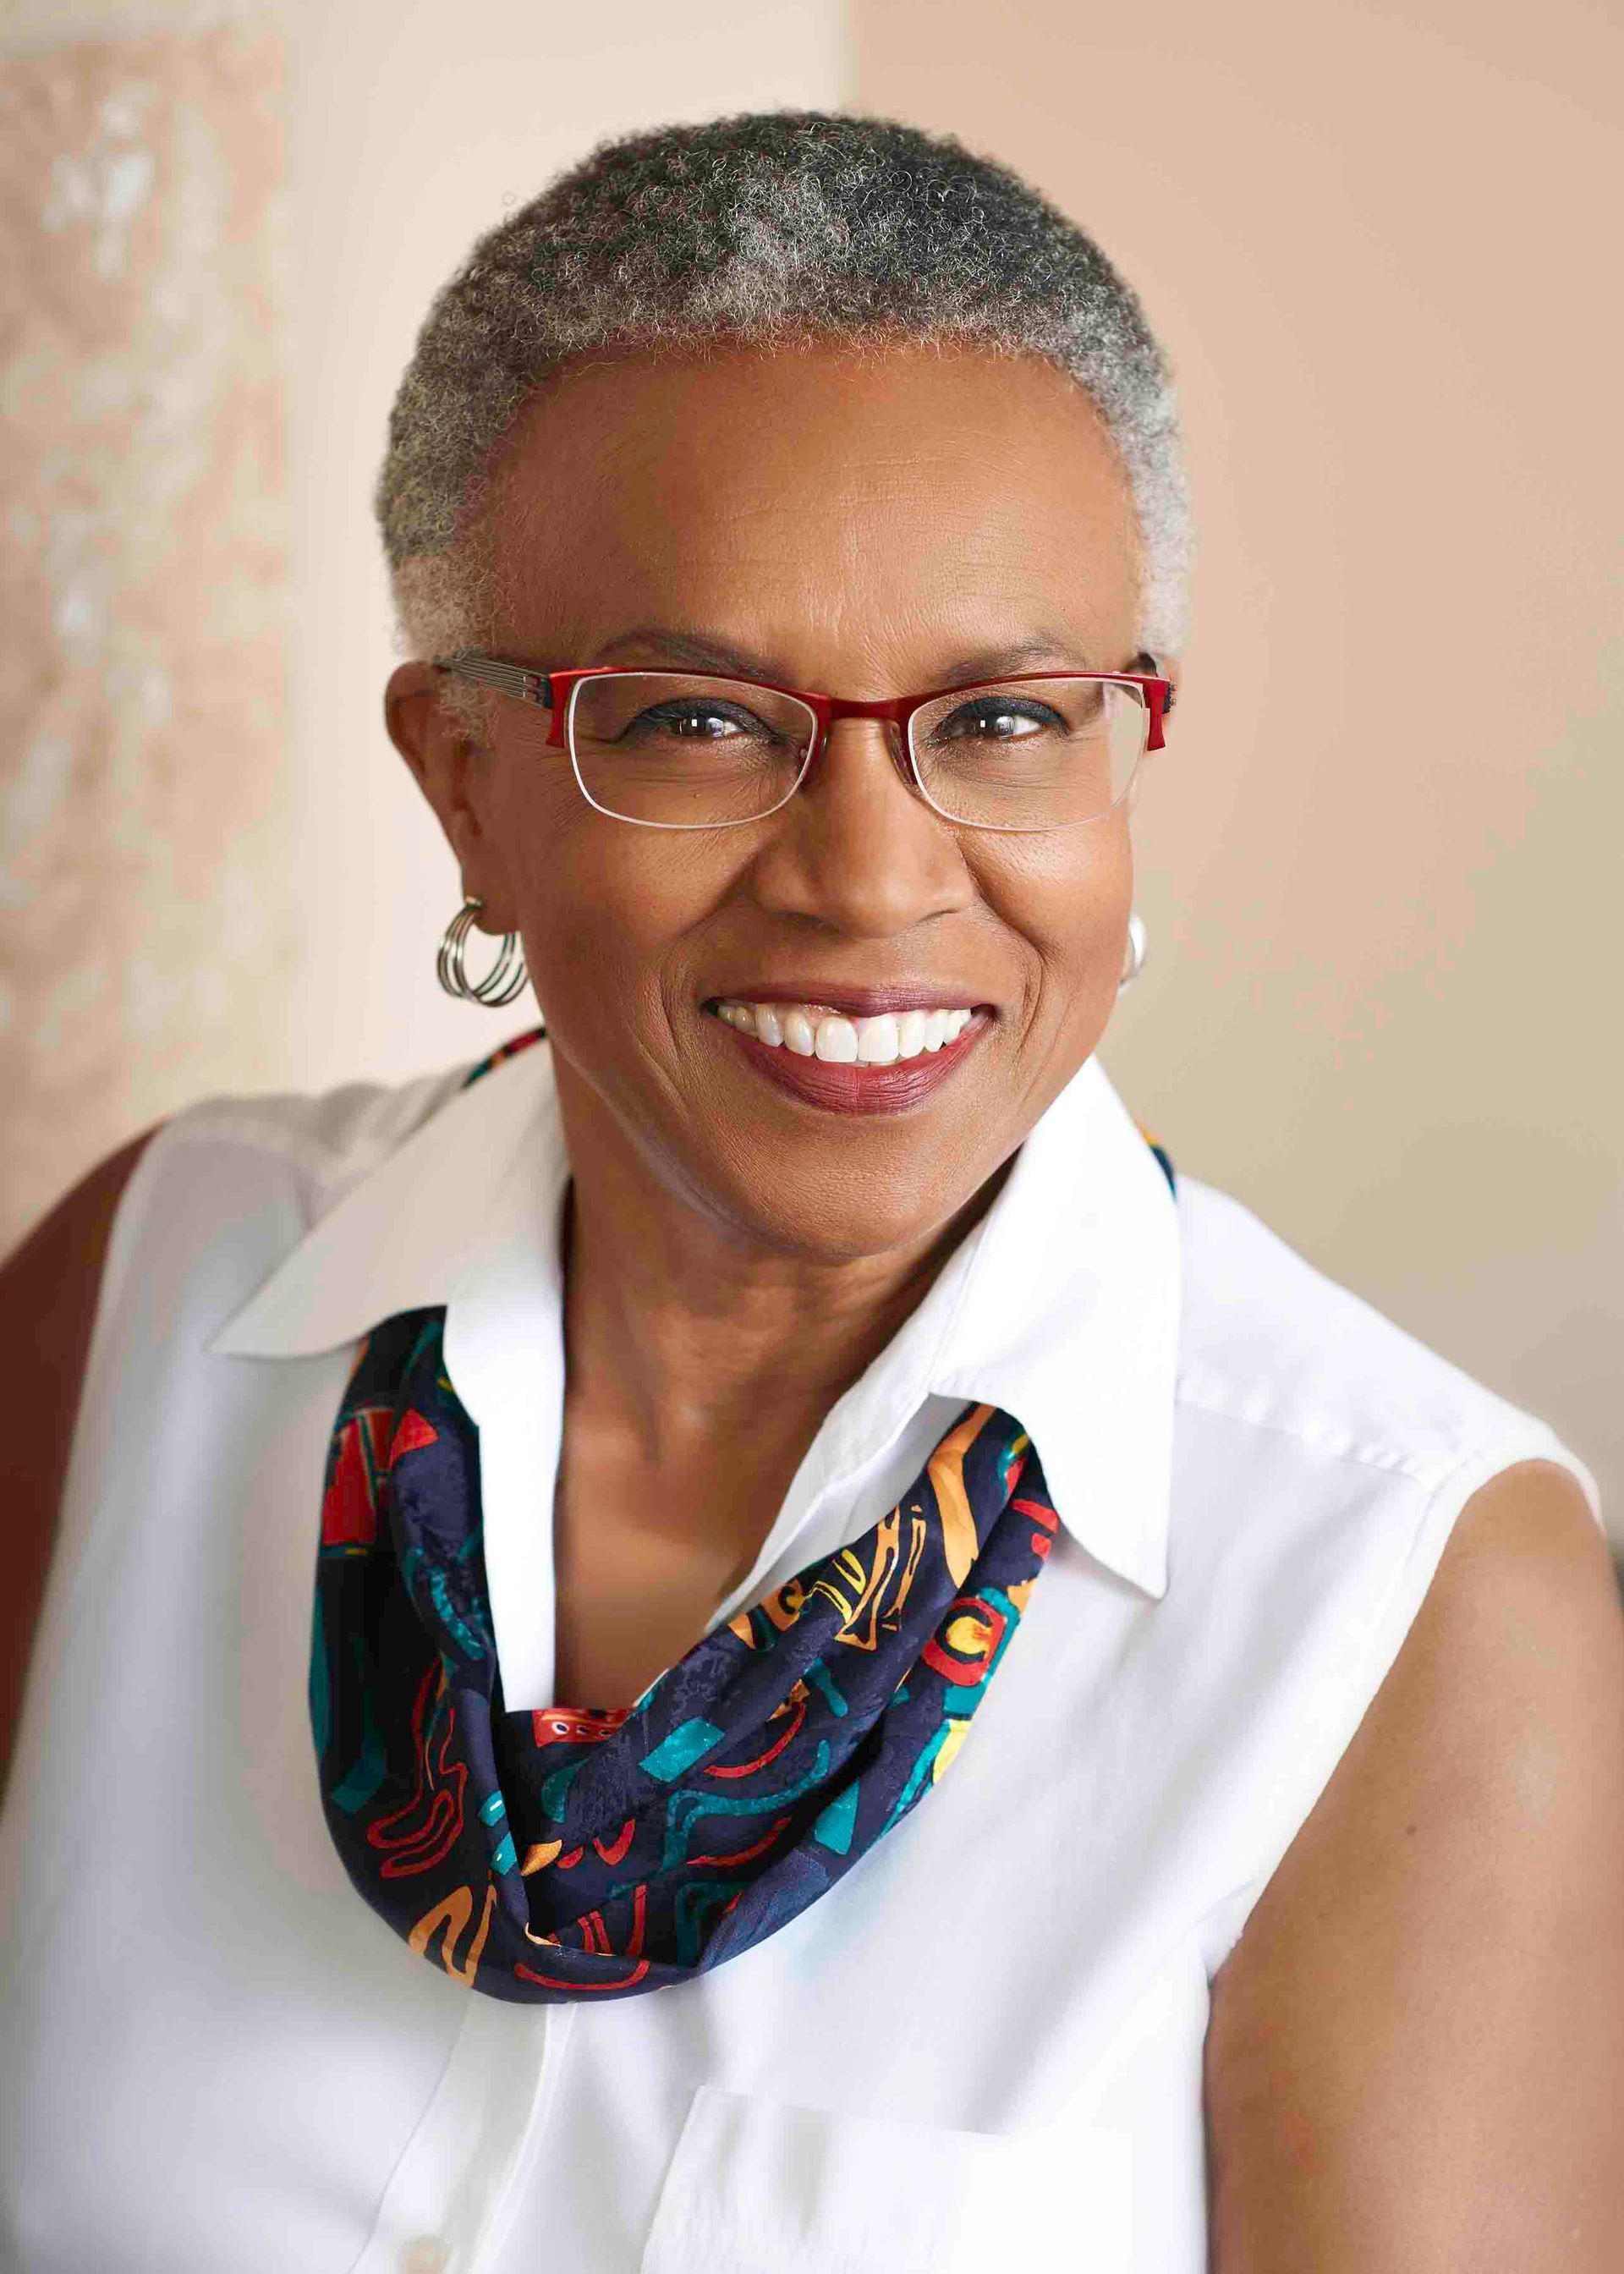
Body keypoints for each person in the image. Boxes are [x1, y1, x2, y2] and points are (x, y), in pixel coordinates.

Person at [2, 111, 1620, 2274]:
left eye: (1006, 721)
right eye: (694, 721)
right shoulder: (150, 1293)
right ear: (463, 782)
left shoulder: (1403, 1592)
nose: (870, 873)